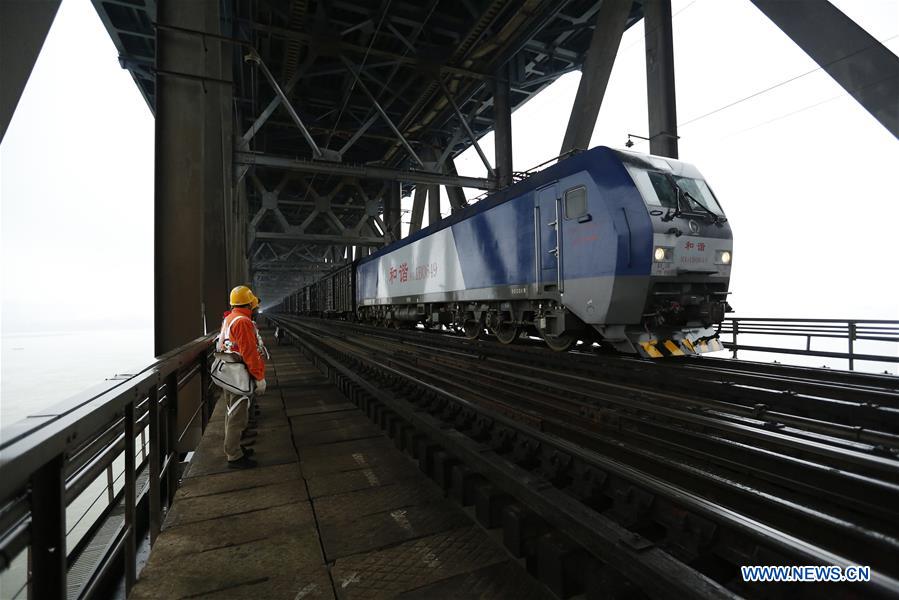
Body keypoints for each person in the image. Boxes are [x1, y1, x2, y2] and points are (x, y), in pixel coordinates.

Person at [217, 285, 267, 469]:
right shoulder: (243, 322)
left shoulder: (230, 318)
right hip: (238, 374)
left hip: (228, 373)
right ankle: (234, 456)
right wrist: (259, 377)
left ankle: (234, 448)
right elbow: (250, 353)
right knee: (238, 415)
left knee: (232, 412)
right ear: (249, 304)